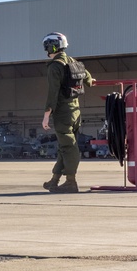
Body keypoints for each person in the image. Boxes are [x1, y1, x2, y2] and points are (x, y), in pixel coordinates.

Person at [41, 32, 93, 193]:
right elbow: (89, 80)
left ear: (52, 46)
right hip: (75, 112)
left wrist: (46, 115)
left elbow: (53, 92)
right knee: (64, 147)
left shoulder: (55, 66)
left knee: (68, 147)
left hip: (63, 113)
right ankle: (55, 180)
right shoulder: (74, 62)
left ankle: (71, 182)